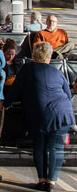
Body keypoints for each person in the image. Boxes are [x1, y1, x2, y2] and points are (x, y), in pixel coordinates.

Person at [6, 42, 74, 190]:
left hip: (40, 114)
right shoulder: (57, 72)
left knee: (40, 146)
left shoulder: (28, 68)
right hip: (63, 114)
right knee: (56, 148)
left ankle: (42, 180)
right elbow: (68, 95)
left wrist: (5, 103)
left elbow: (15, 90)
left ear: (34, 55)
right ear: (49, 56)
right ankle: (51, 182)